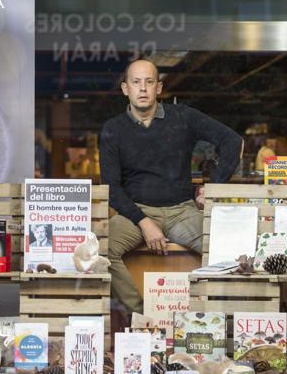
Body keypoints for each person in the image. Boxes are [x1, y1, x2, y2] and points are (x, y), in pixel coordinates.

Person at [100, 59, 243, 315]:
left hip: (182, 211)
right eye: (136, 82)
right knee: (99, 249)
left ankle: (207, 318)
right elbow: (111, 187)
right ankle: (143, 317)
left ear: (159, 87)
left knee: (227, 253)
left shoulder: (183, 117)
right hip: (136, 213)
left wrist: (213, 187)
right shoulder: (113, 129)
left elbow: (231, 141)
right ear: (125, 89)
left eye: (149, 81)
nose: (142, 88)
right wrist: (144, 222)